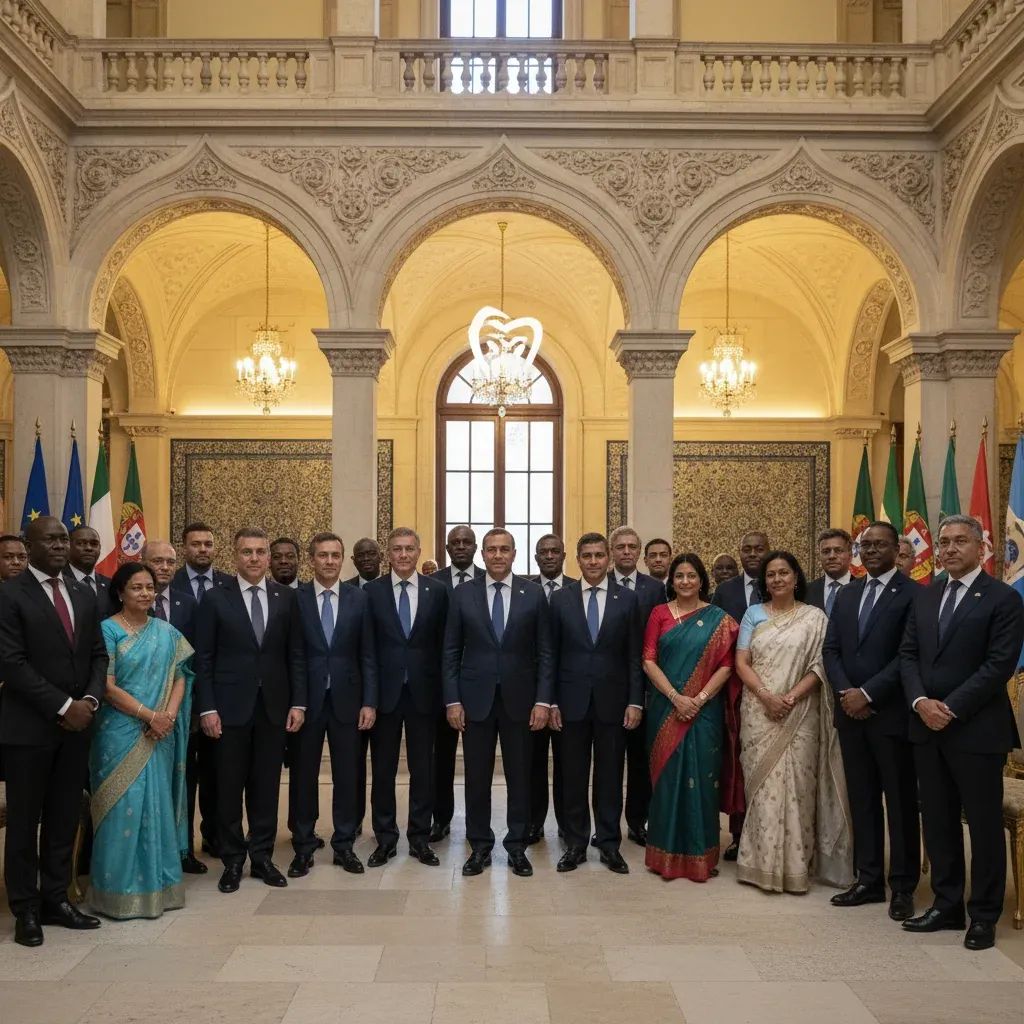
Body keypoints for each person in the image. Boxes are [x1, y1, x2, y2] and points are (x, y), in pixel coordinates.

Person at [900, 514, 1024, 951]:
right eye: (944, 542)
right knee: (938, 820)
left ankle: (984, 914)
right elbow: (908, 655)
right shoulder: (927, 595)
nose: (950, 549)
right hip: (926, 727)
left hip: (976, 730)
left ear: (981, 547)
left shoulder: (1003, 598)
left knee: (984, 826)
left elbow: (998, 665)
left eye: (959, 541)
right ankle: (947, 905)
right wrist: (920, 702)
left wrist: (949, 708)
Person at [0, 516, 107, 947]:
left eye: (65, 539)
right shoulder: (9, 595)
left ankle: (56, 899)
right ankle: (25, 908)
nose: (62, 546)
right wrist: (64, 706)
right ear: (30, 546)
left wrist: (90, 701)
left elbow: (98, 655)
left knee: (64, 817)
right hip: (28, 730)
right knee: (24, 823)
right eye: (52, 540)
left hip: (77, 729)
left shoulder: (84, 593)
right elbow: (12, 663)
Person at [195, 527, 306, 893]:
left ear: (268, 557)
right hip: (228, 710)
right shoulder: (215, 598)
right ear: (236, 556)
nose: (255, 558)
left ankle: (261, 857)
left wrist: (298, 702)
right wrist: (207, 708)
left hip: (273, 708)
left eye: (260, 552)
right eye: (247, 552)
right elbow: (204, 659)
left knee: (266, 787)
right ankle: (232, 860)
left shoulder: (286, 598)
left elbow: (295, 655)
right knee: (228, 788)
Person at [734, 550, 853, 894]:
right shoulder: (753, 614)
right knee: (762, 788)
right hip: (759, 711)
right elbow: (742, 662)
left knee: (800, 788)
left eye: (783, 572)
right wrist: (766, 696)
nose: (777, 579)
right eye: (771, 574)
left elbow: (820, 665)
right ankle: (758, 865)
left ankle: (797, 867)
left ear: (796, 577)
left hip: (800, 713)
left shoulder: (814, 617)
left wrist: (791, 697)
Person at [822, 521, 919, 921]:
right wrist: (847, 692)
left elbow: (908, 655)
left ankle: (904, 886)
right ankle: (869, 879)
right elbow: (831, 650)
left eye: (881, 544)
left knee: (899, 802)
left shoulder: (914, 594)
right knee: (861, 799)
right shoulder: (847, 594)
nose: (872, 550)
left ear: (897, 550)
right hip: (850, 714)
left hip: (890, 714)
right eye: (867, 545)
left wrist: (868, 693)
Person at [443, 528, 553, 877]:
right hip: (475, 700)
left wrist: (543, 701)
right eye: (491, 549)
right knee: (476, 777)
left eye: (504, 549)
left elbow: (545, 652)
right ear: (483, 554)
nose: (498, 555)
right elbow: (450, 651)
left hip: (521, 701)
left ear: (514, 554)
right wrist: (452, 700)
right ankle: (479, 846)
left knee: (520, 776)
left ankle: (517, 846)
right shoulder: (463, 594)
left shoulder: (533, 594)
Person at [88, 562, 193, 919]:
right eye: (137, 587)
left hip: (159, 733)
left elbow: (182, 675)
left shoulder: (167, 632)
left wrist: (168, 717)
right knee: (121, 809)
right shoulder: (107, 630)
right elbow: (106, 686)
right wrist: (149, 715)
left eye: (150, 587)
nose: (146, 593)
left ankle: (159, 890)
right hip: (119, 732)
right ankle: (115, 894)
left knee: (156, 806)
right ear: (120, 592)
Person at [549, 533, 642, 874]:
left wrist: (635, 701)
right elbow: (550, 654)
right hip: (570, 702)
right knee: (572, 775)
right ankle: (575, 844)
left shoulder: (627, 599)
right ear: (577, 559)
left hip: (613, 703)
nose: (593, 561)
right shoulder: (560, 599)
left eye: (599, 555)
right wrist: (551, 701)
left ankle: (608, 843)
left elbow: (634, 655)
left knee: (610, 775)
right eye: (586, 555)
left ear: (608, 559)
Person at [642, 553, 738, 881]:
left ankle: (701, 857)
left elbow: (727, 665)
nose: (685, 581)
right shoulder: (659, 614)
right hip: (665, 710)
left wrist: (698, 700)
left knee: (703, 782)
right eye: (679, 576)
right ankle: (664, 857)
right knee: (668, 782)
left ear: (701, 580)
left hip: (704, 712)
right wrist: (676, 698)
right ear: (672, 581)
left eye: (691, 576)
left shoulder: (719, 619)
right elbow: (649, 660)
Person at [290, 532, 376, 877]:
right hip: (307, 703)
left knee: (347, 775)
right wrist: (296, 702)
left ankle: (344, 845)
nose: (329, 561)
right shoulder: (296, 599)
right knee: (303, 776)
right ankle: (303, 846)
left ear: (342, 559)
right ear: (312, 559)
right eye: (323, 555)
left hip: (348, 701)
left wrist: (369, 701)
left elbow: (368, 654)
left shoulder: (359, 599)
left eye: (335, 555)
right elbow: (294, 655)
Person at [364, 528, 448, 866]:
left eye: (409, 549)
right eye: (397, 549)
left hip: (424, 695)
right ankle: (385, 838)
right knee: (383, 770)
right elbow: (367, 649)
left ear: (418, 551)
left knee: (422, 770)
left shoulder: (437, 591)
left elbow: (445, 647)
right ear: (388, 553)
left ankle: (419, 838)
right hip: (385, 695)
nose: (403, 555)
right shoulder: (371, 592)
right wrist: (369, 698)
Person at [143, 540, 205, 875]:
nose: (164, 567)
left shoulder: (187, 602)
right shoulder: (125, 603)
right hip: (137, 710)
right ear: (143, 562)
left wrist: (195, 709)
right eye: (157, 561)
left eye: (169, 562)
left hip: (180, 708)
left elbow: (197, 659)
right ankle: (146, 851)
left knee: (183, 780)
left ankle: (183, 850)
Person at [712, 530, 769, 860]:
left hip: (775, 687)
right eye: (746, 549)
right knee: (738, 765)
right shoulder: (726, 590)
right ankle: (738, 836)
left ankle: (769, 835)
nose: (752, 554)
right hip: (733, 689)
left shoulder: (779, 582)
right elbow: (716, 640)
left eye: (759, 549)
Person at [609, 525, 664, 847]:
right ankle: (607, 826)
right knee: (609, 762)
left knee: (640, 761)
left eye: (632, 546)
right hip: (606, 683)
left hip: (643, 685)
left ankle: (637, 821)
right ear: (612, 552)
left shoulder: (654, 589)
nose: (626, 551)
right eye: (621, 547)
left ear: (639, 551)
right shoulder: (599, 582)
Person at [431, 524, 485, 843]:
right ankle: (441, 818)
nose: (461, 546)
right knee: (442, 756)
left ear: (475, 548)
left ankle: (480, 825)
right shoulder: (432, 583)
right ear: (447, 548)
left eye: (467, 542)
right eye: (455, 542)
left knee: (479, 761)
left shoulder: (489, 580)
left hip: (481, 682)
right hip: (444, 683)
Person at [528, 533, 576, 844]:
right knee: (532, 763)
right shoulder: (524, 590)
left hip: (570, 693)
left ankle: (567, 824)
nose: (548, 556)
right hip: (530, 693)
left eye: (554, 551)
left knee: (567, 764)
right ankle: (534, 823)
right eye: (543, 552)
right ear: (535, 557)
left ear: (563, 555)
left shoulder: (577, 590)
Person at [343, 535, 381, 833]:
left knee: (382, 764)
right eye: (361, 555)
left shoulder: (389, 589)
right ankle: (353, 820)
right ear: (353, 561)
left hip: (388, 688)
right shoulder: (345, 592)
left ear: (381, 557)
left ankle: (383, 824)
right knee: (352, 762)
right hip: (353, 691)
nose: (367, 559)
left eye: (372, 553)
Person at [171, 522, 232, 602]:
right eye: (195, 544)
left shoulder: (230, 584)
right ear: (184, 549)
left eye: (208, 544)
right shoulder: (171, 582)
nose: (203, 549)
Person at [63, 525, 112, 619]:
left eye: (94, 544)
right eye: (81, 543)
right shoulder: (57, 582)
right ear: (68, 546)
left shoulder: (110, 585)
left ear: (100, 548)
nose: (89, 548)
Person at [806, 529, 853, 616]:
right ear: (819, 556)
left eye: (838, 550)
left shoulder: (863, 590)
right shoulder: (806, 591)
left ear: (850, 555)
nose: (832, 556)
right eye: (826, 552)